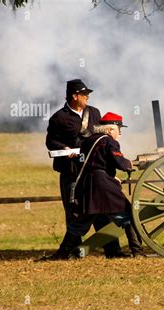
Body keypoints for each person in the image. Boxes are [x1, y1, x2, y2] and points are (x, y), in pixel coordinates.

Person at [43, 79, 123, 260]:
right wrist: (64, 149)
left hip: (92, 170)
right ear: (74, 96)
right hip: (71, 170)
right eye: (84, 94)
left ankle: (113, 251)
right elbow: (50, 142)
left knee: (103, 211)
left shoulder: (94, 113)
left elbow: (101, 137)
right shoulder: (59, 118)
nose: (87, 97)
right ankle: (74, 252)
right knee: (75, 212)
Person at [66, 112, 145, 257]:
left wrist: (111, 176)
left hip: (88, 185)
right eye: (118, 129)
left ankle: (62, 253)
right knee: (128, 215)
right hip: (103, 186)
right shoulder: (109, 141)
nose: (120, 133)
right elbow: (120, 162)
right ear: (109, 130)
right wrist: (129, 164)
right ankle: (138, 252)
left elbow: (94, 162)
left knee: (80, 223)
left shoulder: (89, 140)